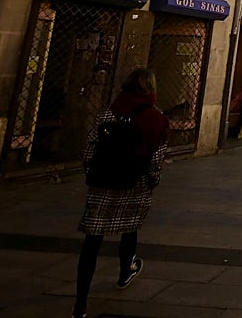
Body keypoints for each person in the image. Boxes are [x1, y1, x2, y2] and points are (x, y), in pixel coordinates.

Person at [74, 68, 169, 318]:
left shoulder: (108, 114)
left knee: (92, 242)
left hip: (103, 183)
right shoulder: (157, 119)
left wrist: (92, 175)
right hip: (135, 182)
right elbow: (156, 159)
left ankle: (80, 305)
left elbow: (90, 149)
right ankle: (125, 270)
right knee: (130, 228)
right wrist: (151, 181)